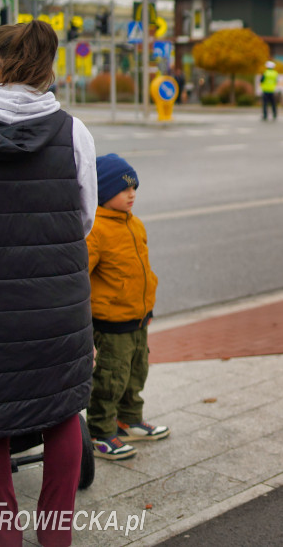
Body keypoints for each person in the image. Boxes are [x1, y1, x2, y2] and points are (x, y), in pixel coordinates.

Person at [0, 20, 97, 546]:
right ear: (48, 70)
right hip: (57, 304)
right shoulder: (73, 133)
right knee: (60, 415)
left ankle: (2, 540)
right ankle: (56, 537)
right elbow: (83, 220)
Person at [87, 153, 168, 461]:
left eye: (134, 187)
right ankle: (101, 432)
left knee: (137, 371)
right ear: (103, 192)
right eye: (124, 189)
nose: (132, 194)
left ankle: (129, 419)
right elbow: (81, 275)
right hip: (111, 322)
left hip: (138, 317)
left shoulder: (135, 225)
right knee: (110, 378)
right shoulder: (95, 231)